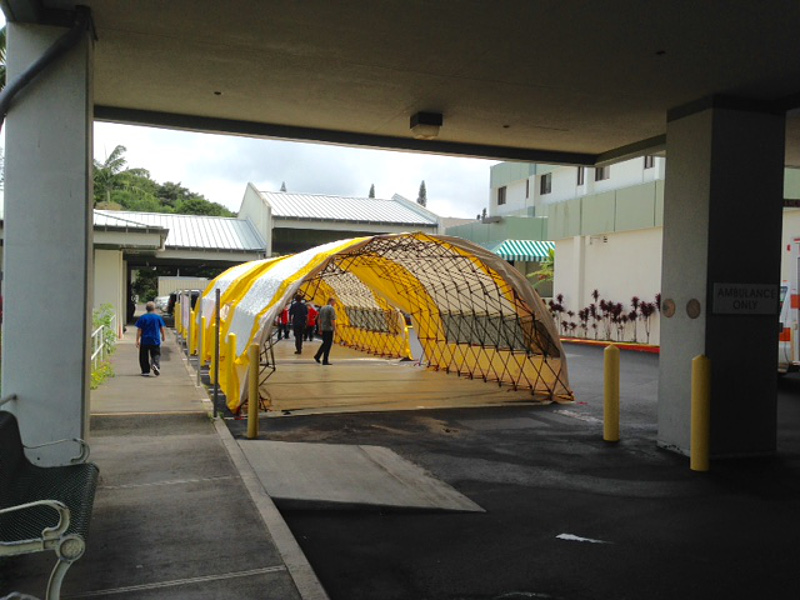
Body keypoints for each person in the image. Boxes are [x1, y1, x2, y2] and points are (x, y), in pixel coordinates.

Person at [135, 301, 166, 377]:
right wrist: (163, 336)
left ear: (146, 309)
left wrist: (137, 340)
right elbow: (162, 328)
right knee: (156, 354)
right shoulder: (158, 317)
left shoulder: (143, 317)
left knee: (143, 356)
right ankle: (155, 364)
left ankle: (145, 371)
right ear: (154, 309)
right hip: (155, 339)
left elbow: (139, 329)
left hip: (145, 340)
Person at [314, 298, 337, 365]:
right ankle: (325, 360)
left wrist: (320, 328)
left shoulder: (322, 308)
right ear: (331, 301)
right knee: (328, 345)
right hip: (329, 329)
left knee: (325, 343)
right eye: (334, 302)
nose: (335, 303)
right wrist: (335, 329)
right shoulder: (331, 309)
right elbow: (332, 320)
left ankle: (317, 356)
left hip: (323, 328)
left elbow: (319, 320)